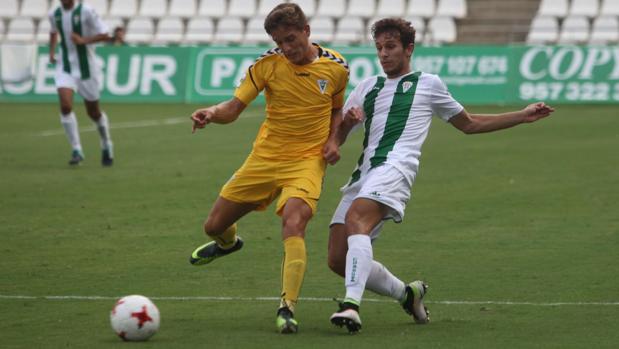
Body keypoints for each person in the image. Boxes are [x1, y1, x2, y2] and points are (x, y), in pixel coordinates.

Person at [328, 17, 554, 333]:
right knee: (338, 258)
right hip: (363, 174)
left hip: (395, 169)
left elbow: (469, 123)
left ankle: (351, 306)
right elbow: (335, 137)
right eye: (379, 48)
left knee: (357, 220)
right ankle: (408, 294)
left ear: (409, 48)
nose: (383, 54)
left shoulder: (428, 84)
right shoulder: (367, 87)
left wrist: (522, 116)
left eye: (390, 46)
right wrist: (345, 127)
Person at [188, 3, 349, 334]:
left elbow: (337, 109)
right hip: (264, 159)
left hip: (306, 161)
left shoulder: (336, 68)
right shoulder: (265, 64)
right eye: (280, 42)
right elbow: (234, 107)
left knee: (294, 222)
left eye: (291, 39)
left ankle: (287, 307)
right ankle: (228, 243)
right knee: (213, 225)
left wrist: (334, 141)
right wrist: (211, 113)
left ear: (306, 30)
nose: (287, 49)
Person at [48, 0, 114, 166]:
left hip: (87, 68)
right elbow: (53, 31)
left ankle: (106, 143)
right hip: (65, 66)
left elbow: (106, 34)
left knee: (93, 112)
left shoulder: (86, 11)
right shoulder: (54, 14)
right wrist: (51, 51)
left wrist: (84, 40)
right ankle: (76, 149)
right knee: (65, 106)